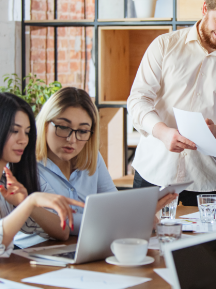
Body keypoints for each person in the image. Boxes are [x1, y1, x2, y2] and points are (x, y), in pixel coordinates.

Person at [127, 0, 216, 208]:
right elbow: (138, 100)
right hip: (153, 172)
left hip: (206, 181)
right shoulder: (164, 45)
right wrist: (163, 132)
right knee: (145, 242)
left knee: (205, 245)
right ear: (205, 8)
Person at [36, 87, 176, 234]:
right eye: (63, 127)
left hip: (85, 245)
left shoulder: (91, 156)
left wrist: (138, 213)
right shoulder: (29, 165)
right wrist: (131, 216)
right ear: (45, 125)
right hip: (35, 250)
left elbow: (113, 203)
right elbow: (61, 223)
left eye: (83, 131)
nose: (72, 139)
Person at [0, 92, 84, 253]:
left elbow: (62, 231)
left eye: (27, 132)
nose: (23, 140)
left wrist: (26, 203)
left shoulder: (9, 181)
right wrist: (30, 202)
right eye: (14, 130)